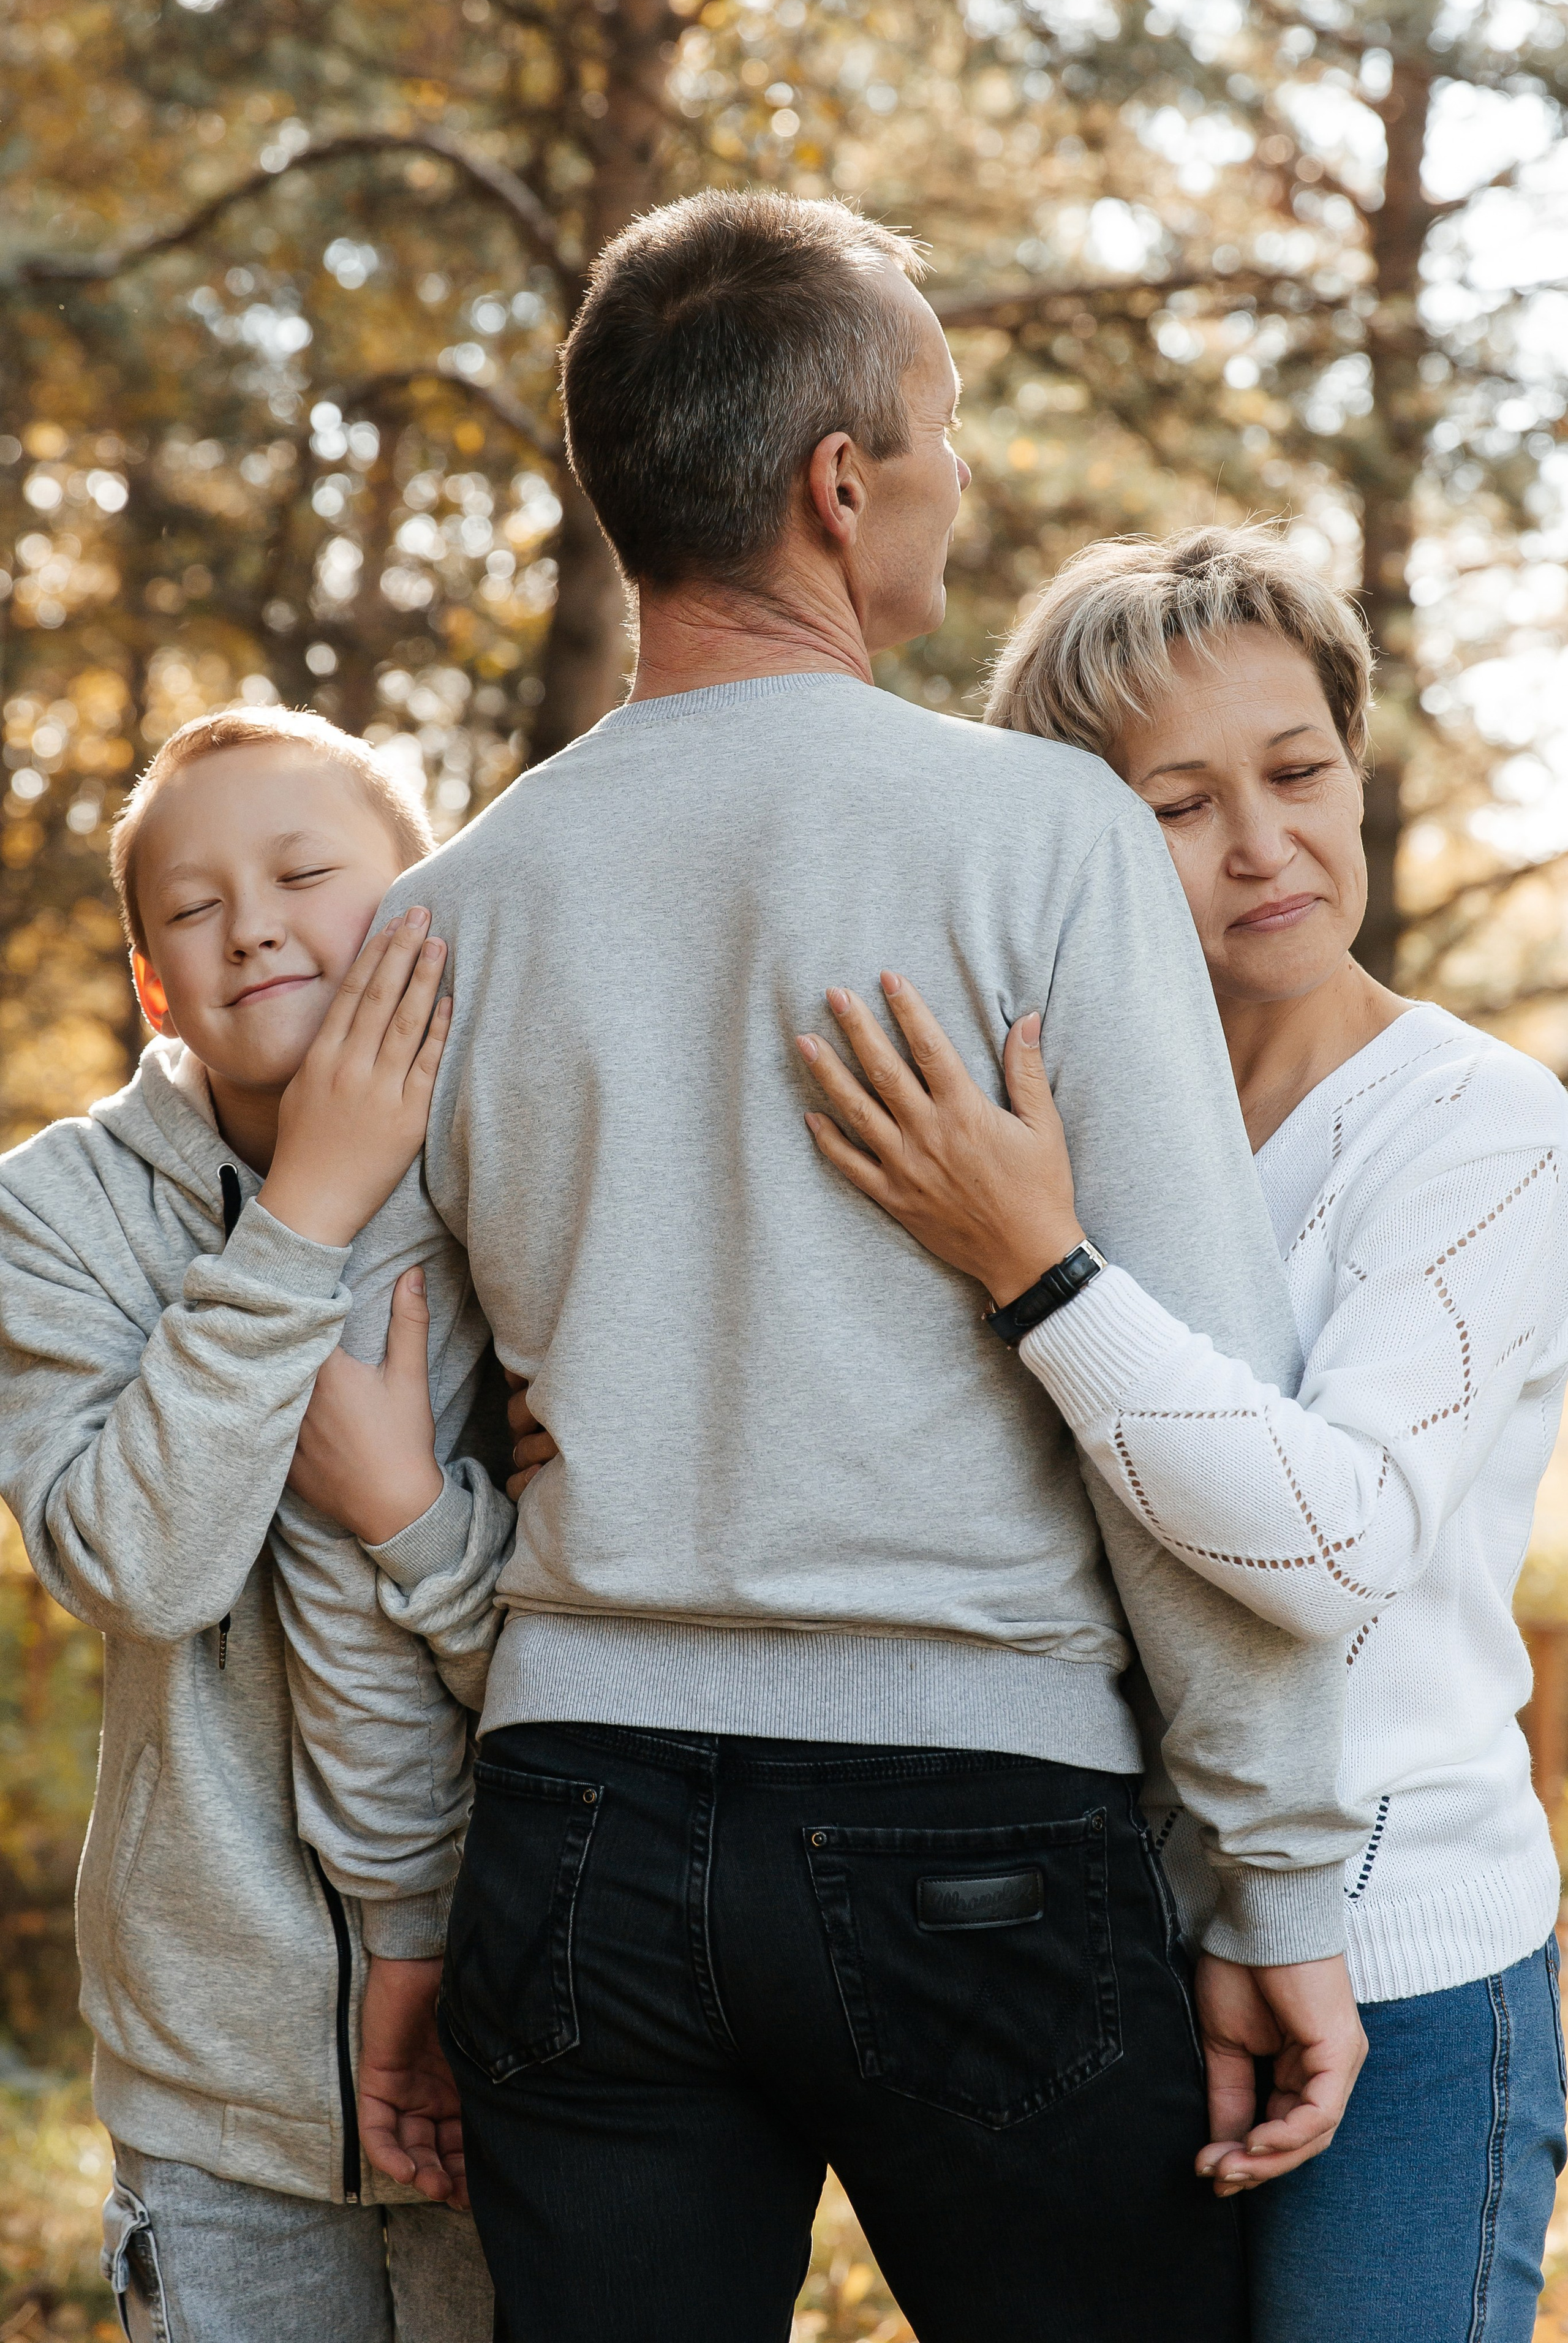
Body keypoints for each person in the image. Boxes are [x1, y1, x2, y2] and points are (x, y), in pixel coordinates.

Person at [266, 192, 1378, 2343]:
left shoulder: (453, 914)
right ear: (839, 481)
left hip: (573, 1831)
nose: (952, 483)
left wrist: (413, 1908)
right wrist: (1278, 1882)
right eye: (940, 430)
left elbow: (351, 1439)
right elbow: (1195, 1423)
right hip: (987, 1827)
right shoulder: (1044, 840)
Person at [796, 525, 1568, 2342]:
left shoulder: (1480, 1127)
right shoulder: (1028, 1129)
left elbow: (1337, 1544)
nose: (1263, 845)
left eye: (1298, 773)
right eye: (1177, 803)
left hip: (1411, 1977)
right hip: (1081, 1955)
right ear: (1080, 839)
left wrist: (1042, 1273)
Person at [0, 706, 499, 2343]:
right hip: (221, 2082)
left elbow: (609, 1597)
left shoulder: (521, 1168)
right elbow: (142, 1567)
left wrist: (417, 1524)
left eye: (301, 872)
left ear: (421, 904)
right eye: (195, 910)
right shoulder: (53, 1213)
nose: (254, 922)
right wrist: (305, 1219)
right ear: (153, 981)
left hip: (520, 2035)